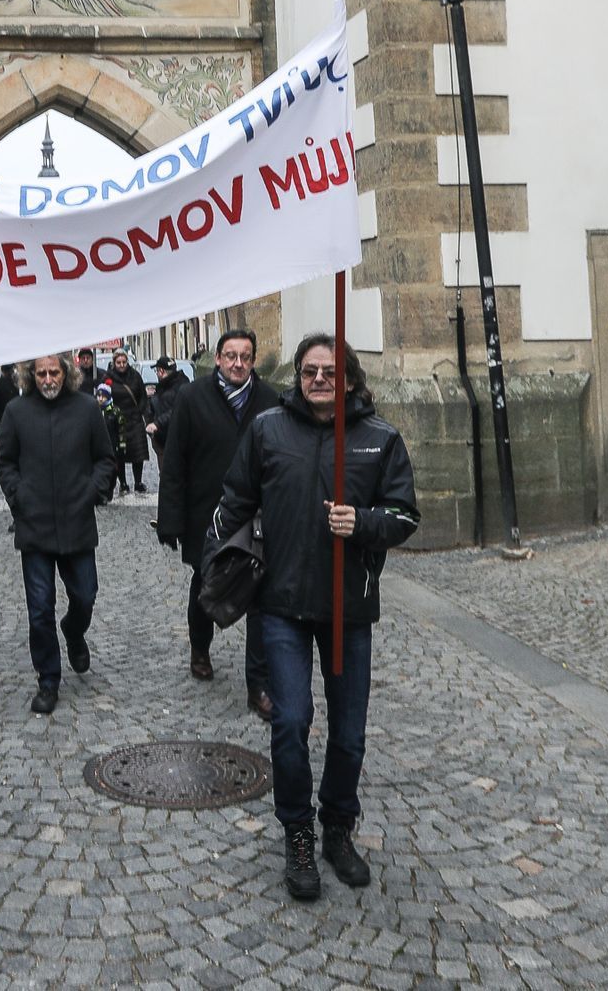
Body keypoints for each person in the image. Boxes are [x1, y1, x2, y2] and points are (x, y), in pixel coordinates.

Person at [216, 332, 420, 902]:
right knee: (290, 722)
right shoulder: (267, 430)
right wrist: (222, 557)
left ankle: (336, 825)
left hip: (347, 606)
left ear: (350, 377)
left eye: (330, 371)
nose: (320, 380)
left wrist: (364, 523)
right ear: (297, 377)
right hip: (281, 602)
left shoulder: (379, 440)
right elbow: (236, 498)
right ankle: (298, 831)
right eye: (309, 371)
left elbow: (404, 513)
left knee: (349, 735)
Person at [156, 327, 278, 710]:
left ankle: (258, 684)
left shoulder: (270, 399)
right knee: (205, 585)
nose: (237, 363)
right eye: (230, 356)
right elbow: (174, 461)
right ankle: (200, 648)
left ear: (253, 360)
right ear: (219, 359)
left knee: (260, 593)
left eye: (245, 356)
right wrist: (170, 520)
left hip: (257, 515)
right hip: (205, 513)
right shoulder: (193, 397)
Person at [0, 353, 118, 713]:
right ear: (31, 376)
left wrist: (91, 491)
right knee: (38, 609)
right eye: (42, 373)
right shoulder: (17, 412)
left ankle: (74, 631)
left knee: (86, 595)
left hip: (77, 523)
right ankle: (48, 679)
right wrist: (19, 497)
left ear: (67, 373)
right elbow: (5, 462)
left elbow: (105, 458)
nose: (49, 379)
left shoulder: (86, 409)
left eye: (54, 372)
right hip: (34, 527)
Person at [106, 346, 149, 492]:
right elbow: (104, 397)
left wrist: (142, 412)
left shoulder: (135, 376)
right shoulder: (108, 378)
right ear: (114, 363)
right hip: (117, 421)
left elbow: (142, 396)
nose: (122, 365)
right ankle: (123, 483)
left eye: (124, 362)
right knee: (119, 454)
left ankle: (138, 482)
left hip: (134, 419)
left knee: (138, 453)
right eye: (119, 362)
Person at [145, 355, 186, 464]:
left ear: (161, 371)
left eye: (157, 371)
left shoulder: (178, 388)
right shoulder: (166, 386)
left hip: (173, 439)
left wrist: (157, 424)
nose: (157, 374)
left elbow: (175, 411)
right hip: (162, 438)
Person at [94, 380, 129, 494]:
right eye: (98, 396)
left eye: (103, 396)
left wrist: (122, 445)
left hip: (114, 445)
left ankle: (122, 484)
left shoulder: (115, 411)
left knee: (117, 466)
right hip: (100, 445)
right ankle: (104, 488)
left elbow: (121, 429)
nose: (100, 399)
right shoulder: (95, 410)